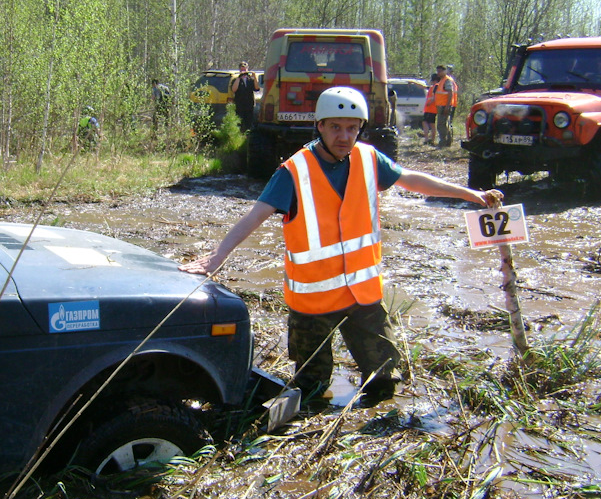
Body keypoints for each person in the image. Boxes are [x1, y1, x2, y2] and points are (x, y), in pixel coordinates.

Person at [180, 86, 503, 408]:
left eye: (352, 128)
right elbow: (255, 215)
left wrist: (471, 195)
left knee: (384, 383)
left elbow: (411, 179)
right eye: (335, 127)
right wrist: (218, 256)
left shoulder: (368, 158)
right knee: (311, 388)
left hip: (363, 298)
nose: (344, 136)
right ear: (319, 125)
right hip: (313, 304)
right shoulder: (294, 171)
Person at [230, 61, 261, 131]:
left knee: (249, 123)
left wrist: (255, 77)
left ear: (247, 69)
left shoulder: (250, 79)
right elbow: (234, 89)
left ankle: (247, 136)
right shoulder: (236, 80)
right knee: (239, 122)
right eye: (242, 69)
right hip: (239, 105)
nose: (243, 71)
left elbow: (257, 88)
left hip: (249, 104)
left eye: (245, 69)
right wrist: (239, 78)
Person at [434, 65, 458, 147]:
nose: (438, 73)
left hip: (445, 106)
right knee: (444, 124)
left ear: (444, 71)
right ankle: (447, 142)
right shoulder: (442, 80)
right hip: (441, 106)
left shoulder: (447, 80)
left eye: (440, 71)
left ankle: (443, 142)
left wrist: (447, 107)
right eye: (437, 71)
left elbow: (450, 93)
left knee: (442, 125)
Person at [422, 73, 438, 145]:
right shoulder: (432, 87)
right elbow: (423, 87)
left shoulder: (436, 86)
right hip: (428, 108)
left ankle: (432, 140)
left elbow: (435, 97)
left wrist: (430, 102)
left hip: (432, 108)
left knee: (432, 124)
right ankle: (427, 139)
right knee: (425, 122)